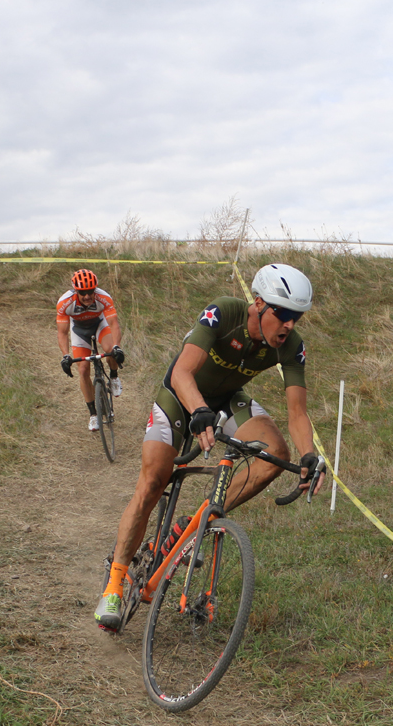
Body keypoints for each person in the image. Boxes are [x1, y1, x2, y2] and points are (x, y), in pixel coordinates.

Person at [95, 262, 325, 631]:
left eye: (297, 317)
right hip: (180, 395)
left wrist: (310, 455)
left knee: (277, 453)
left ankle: (193, 527)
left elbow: (298, 412)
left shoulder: (291, 346)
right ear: (260, 305)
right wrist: (198, 409)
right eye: (283, 315)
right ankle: (114, 584)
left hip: (228, 399)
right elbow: (182, 372)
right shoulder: (225, 312)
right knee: (154, 482)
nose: (290, 325)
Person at [57, 269, 125, 432]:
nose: (87, 296)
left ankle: (114, 377)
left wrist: (117, 346)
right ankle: (93, 414)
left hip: (100, 325)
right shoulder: (65, 302)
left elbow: (113, 323)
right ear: (75, 291)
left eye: (90, 291)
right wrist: (65, 356)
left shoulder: (104, 297)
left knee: (110, 350)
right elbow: (62, 332)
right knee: (83, 369)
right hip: (79, 330)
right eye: (82, 293)